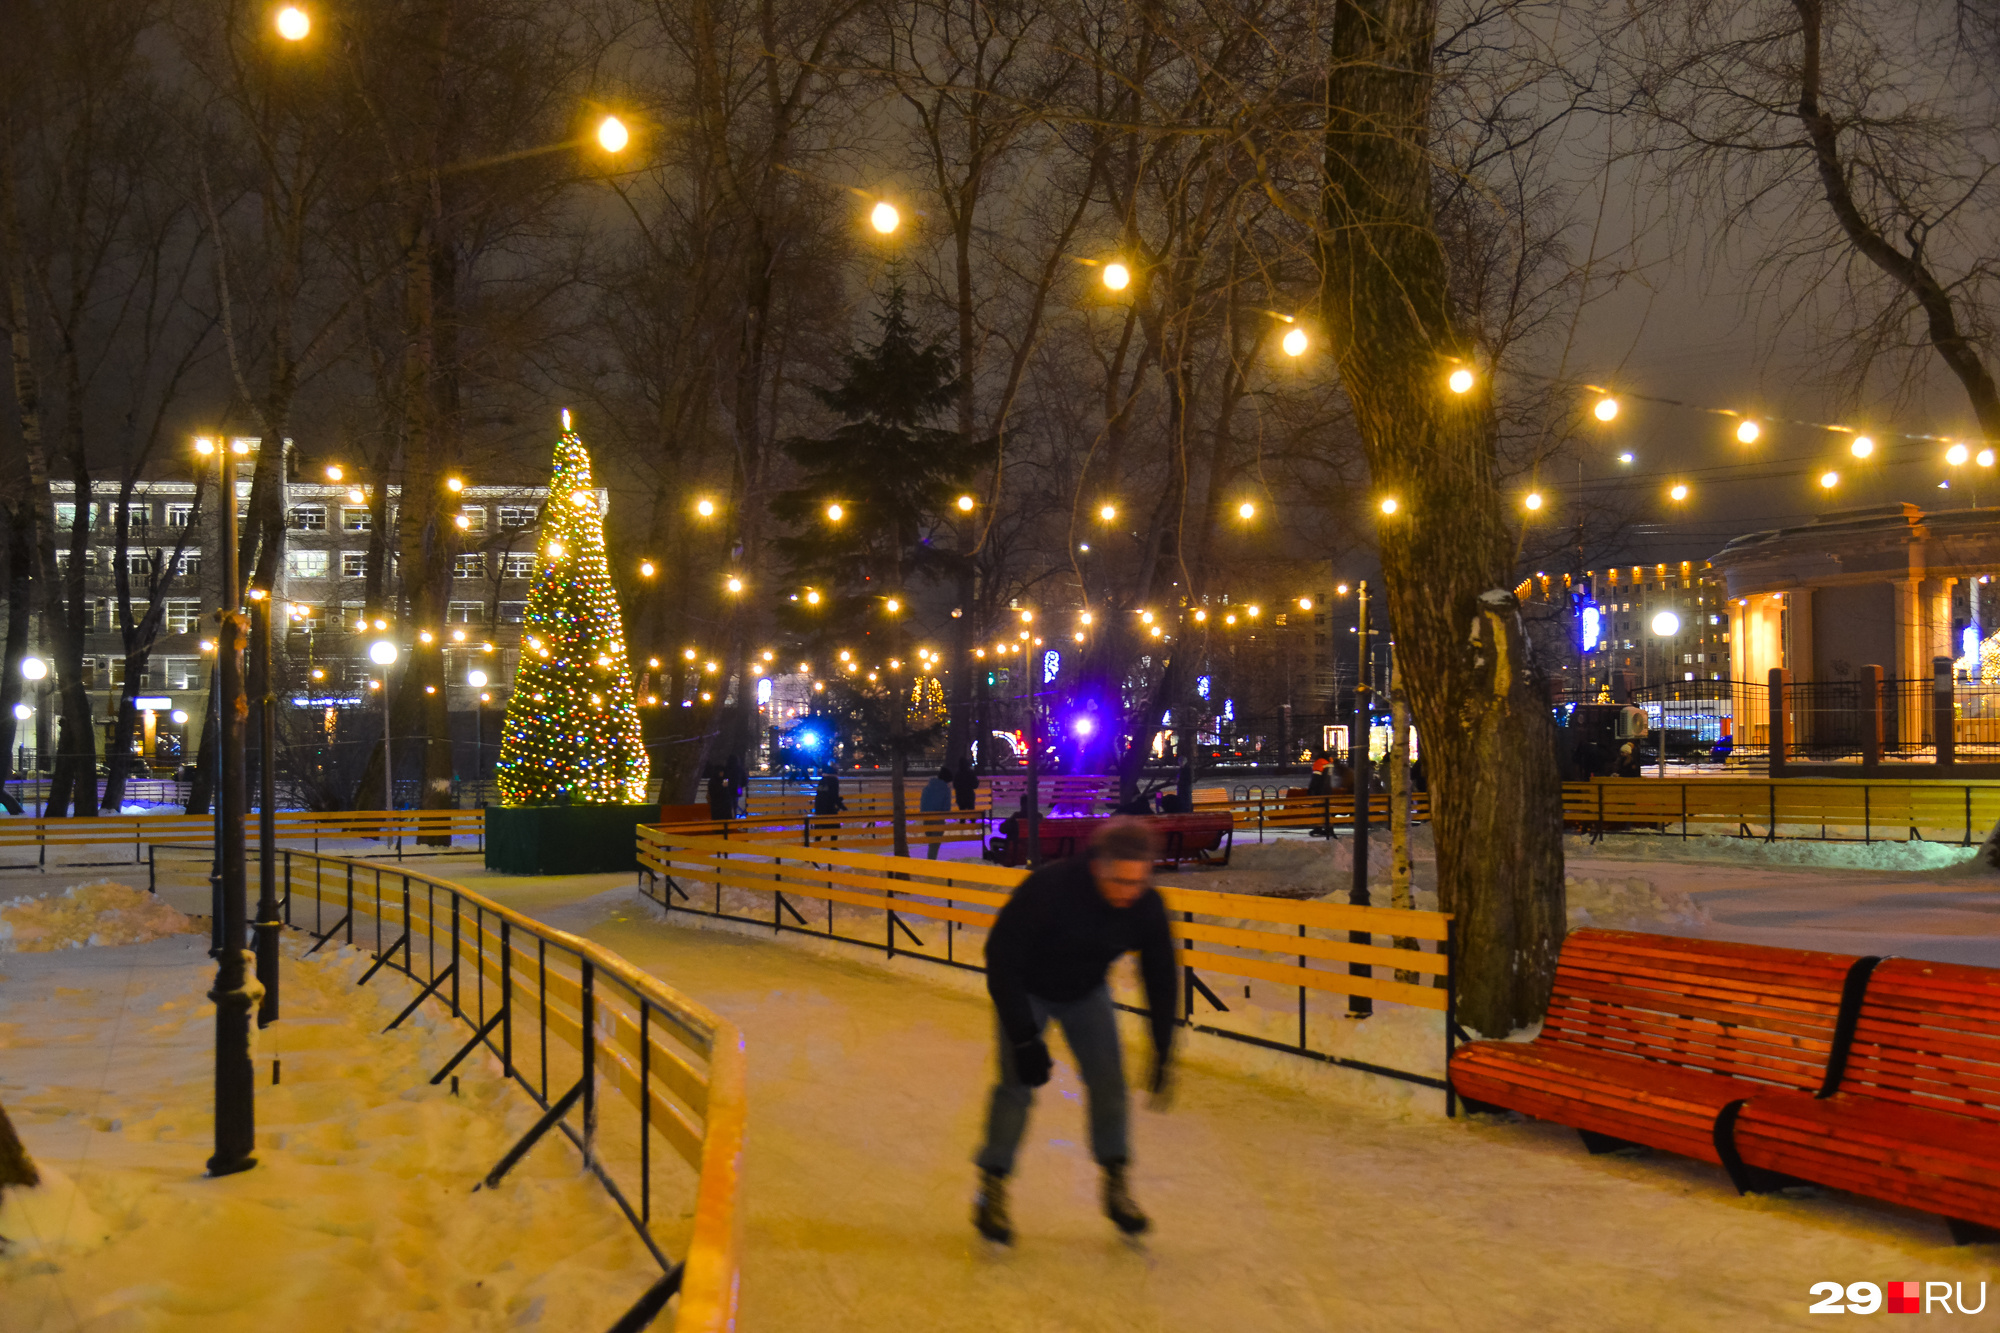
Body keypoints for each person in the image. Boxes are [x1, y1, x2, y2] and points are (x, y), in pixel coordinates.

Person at [973, 818, 1178, 1245]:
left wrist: (1163, 1049)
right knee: (1015, 1086)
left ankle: (1116, 1181)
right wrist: (1024, 1036)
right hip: (1028, 987)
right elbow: (1001, 956)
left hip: (1085, 991)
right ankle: (992, 1186)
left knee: (1110, 1083)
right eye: (1120, 881)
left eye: (1137, 883)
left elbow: (1159, 976)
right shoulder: (1051, 889)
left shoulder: (1145, 905)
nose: (1128, 892)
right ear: (1098, 867)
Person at [920, 767, 953, 860]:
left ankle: (931, 860)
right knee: (934, 844)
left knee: (931, 843)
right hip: (938, 819)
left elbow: (923, 803)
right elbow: (946, 809)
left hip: (926, 818)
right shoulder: (946, 790)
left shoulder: (927, 787)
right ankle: (931, 863)